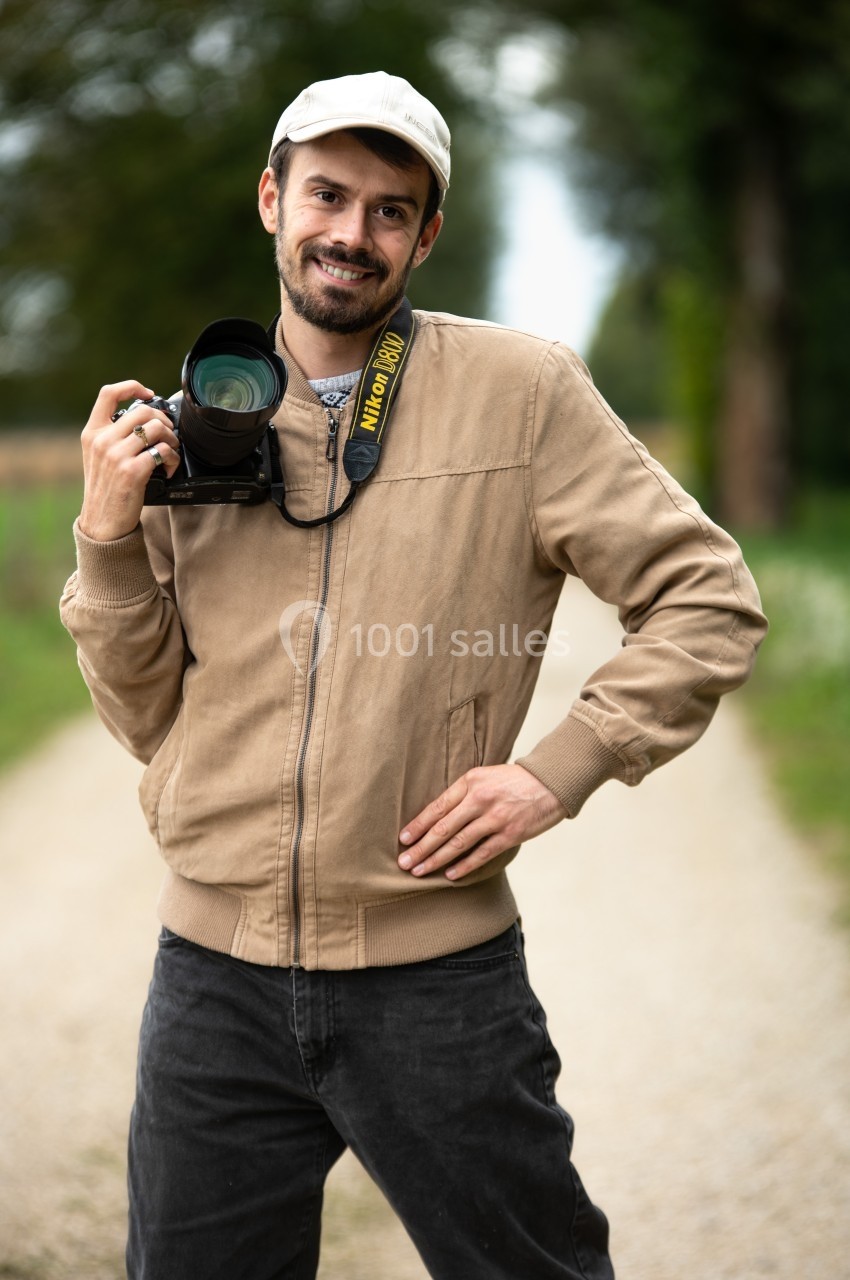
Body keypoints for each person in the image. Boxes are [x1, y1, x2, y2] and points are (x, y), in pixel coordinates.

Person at [60, 70, 767, 1279]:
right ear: (272, 200)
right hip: (212, 988)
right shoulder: (195, 427)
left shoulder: (522, 393)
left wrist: (556, 771)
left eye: (390, 210)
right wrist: (107, 537)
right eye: (327, 195)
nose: (353, 232)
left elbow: (707, 596)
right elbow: (144, 716)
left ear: (426, 235)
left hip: (438, 985)